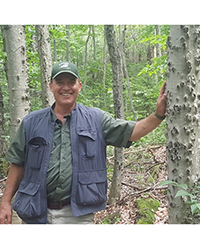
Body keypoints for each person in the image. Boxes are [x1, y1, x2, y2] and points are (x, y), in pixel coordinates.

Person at [0, 61, 167, 224]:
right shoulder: (31, 122)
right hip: (35, 212)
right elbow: (17, 163)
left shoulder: (96, 119)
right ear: (51, 86)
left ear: (79, 85)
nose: (66, 87)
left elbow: (132, 131)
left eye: (71, 82)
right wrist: (5, 203)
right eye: (60, 82)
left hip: (77, 215)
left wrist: (158, 115)